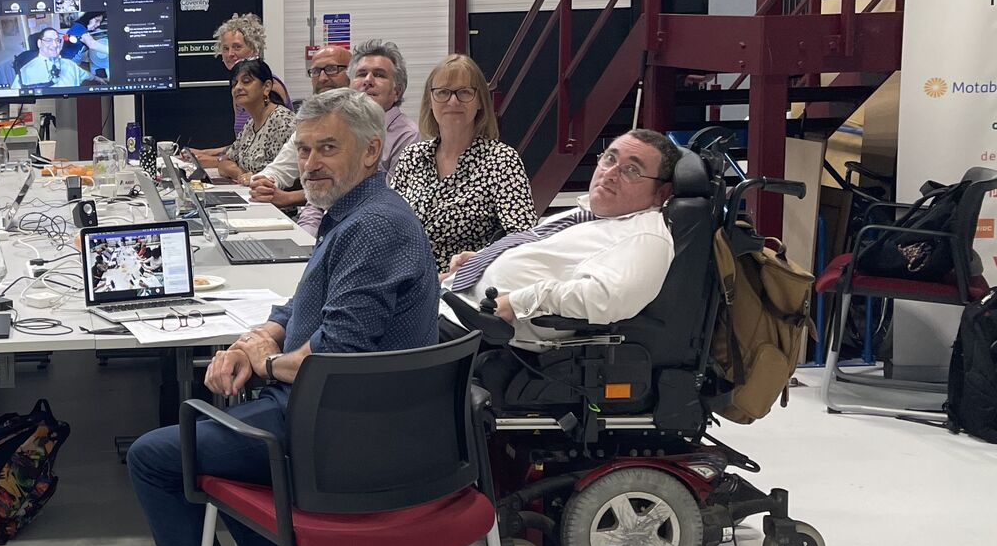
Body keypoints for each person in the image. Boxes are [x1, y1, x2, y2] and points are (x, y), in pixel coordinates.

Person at [127, 90, 439, 546]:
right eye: (304, 149)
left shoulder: (372, 229)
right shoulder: (357, 212)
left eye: (328, 148)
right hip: (341, 411)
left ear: (372, 152)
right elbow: (307, 301)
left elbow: (337, 353)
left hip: (344, 430)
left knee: (156, 456)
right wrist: (261, 337)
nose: (311, 162)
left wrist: (264, 363)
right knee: (221, 423)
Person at [444, 128, 679, 346]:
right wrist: (482, 261)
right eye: (610, 158)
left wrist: (515, 303)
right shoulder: (592, 213)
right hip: (455, 304)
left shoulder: (646, 237)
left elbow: (606, 298)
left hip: (479, 331)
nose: (610, 174)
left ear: (661, 193)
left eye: (631, 170)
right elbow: (544, 255)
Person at [387, 53, 537, 266]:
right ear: (430, 101)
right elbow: (389, 223)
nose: (453, 101)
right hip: (407, 281)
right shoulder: (412, 157)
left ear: (480, 102)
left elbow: (523, 237)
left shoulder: (501, 160)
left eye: (464, 92)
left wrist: (477, 264)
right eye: (443, 92)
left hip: (466, 286)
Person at [250, 41, 416, 218]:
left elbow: (390, 198)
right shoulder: (327, 123)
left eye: (379, 75)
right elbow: (314, 198)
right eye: (361, 74)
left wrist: (289, 198)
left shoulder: (408, 136)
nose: (368, 81)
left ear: (397, 91)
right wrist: (264, 183)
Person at [188, 58, 297, 181]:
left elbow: (292, 176)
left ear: (266, 87)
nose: (238, 87)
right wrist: (240, 174)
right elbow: (224, 163)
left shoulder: (283, 122)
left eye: (246, 81)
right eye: (234, 83)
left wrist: (253, 178)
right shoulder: (250, 124)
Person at [213, 12, 289, 134]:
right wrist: (202, 153)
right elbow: (242, 144)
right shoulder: (237, 87)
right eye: (226, 49)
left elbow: (277, 137)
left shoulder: (270, 85)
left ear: (254, 49)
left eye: (237, 47)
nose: (230, 54)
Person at [12, 26, 93, 90]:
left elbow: (86, 75)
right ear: (39, 43)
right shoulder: (24, 72)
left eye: (57, 40)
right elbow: (14, 98)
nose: (55, 45)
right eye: (49, 40)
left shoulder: (70, 64)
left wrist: (100, 79)